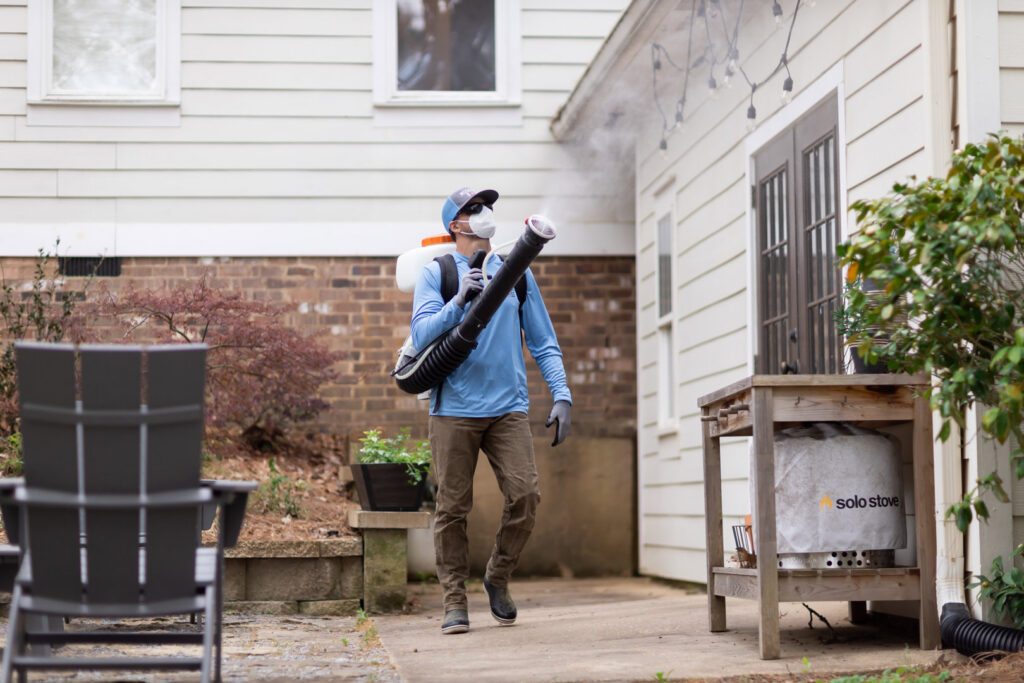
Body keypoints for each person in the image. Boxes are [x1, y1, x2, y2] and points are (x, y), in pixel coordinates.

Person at [410, 187, 572, 635]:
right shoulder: (437, 273)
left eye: (487, 207)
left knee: (525, 496)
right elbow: (422, 333)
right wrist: (458, 299)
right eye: (472, 209)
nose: (484, 215)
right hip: (453, 410)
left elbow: (542, 340)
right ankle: (454, 602)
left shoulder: (516, 273)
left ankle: (497, 576)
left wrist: (561, 394)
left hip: (507, 409)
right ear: (455, 225)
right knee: (452, 508)